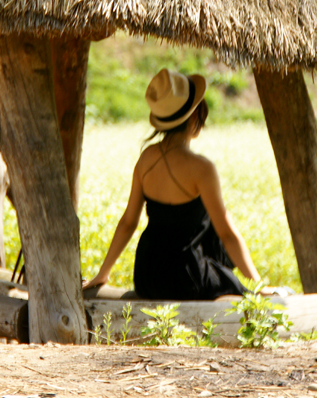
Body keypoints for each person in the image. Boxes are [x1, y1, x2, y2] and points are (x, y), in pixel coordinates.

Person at [82, 68, 269, 299]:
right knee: (232, 278)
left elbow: (128, 222)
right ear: (193, 116)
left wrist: (103, 272)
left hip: (147, 275)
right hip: (185, 277)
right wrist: (258, 285)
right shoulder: (202, 169)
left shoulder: (146, 159)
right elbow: (227, 234)